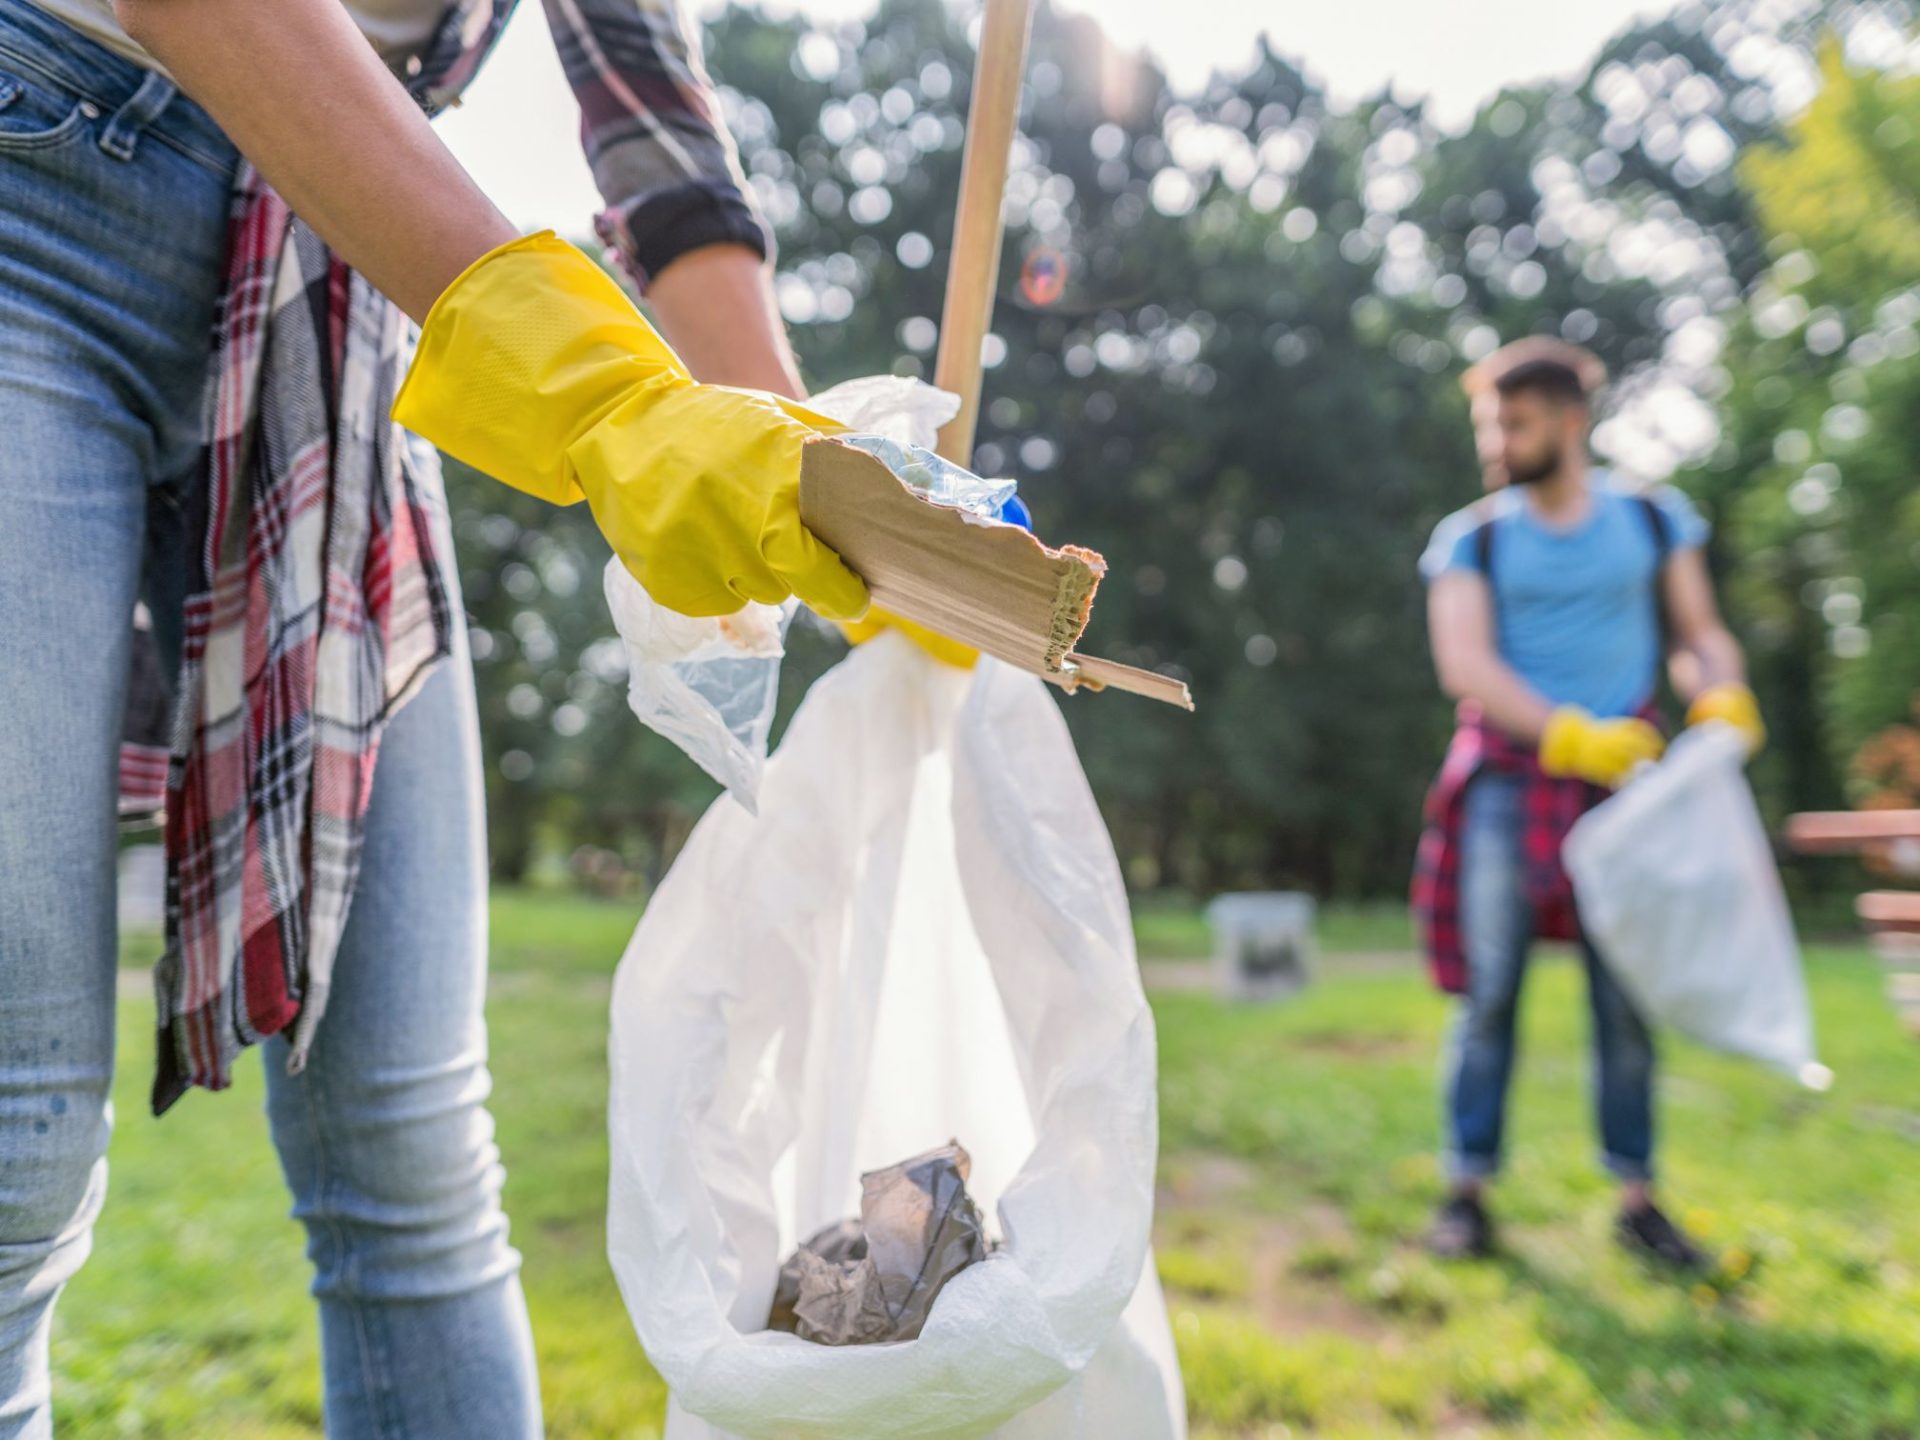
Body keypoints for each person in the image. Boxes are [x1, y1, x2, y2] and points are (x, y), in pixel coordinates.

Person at [0, 0, 870, 1433]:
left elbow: (656, 129)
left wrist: (833, 492)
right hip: (34, 182)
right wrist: (600, 393)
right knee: (12, 1152)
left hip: (322, 278)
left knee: (412, 1154)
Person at [1410, 338, 1766, 1268]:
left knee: (1628, 998)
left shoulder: (1651, 520)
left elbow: (1699, 636)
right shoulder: (1472, 538)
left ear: (1571, 423)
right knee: (1490, 996)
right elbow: (1467, 664)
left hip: (1627, 788)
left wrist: (1718, 692)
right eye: (1491, 422)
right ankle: (1467, 1192)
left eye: (1516, 422)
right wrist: (1565, 731)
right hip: (1509, 781)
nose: (1498, 440)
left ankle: (1638, 1199)